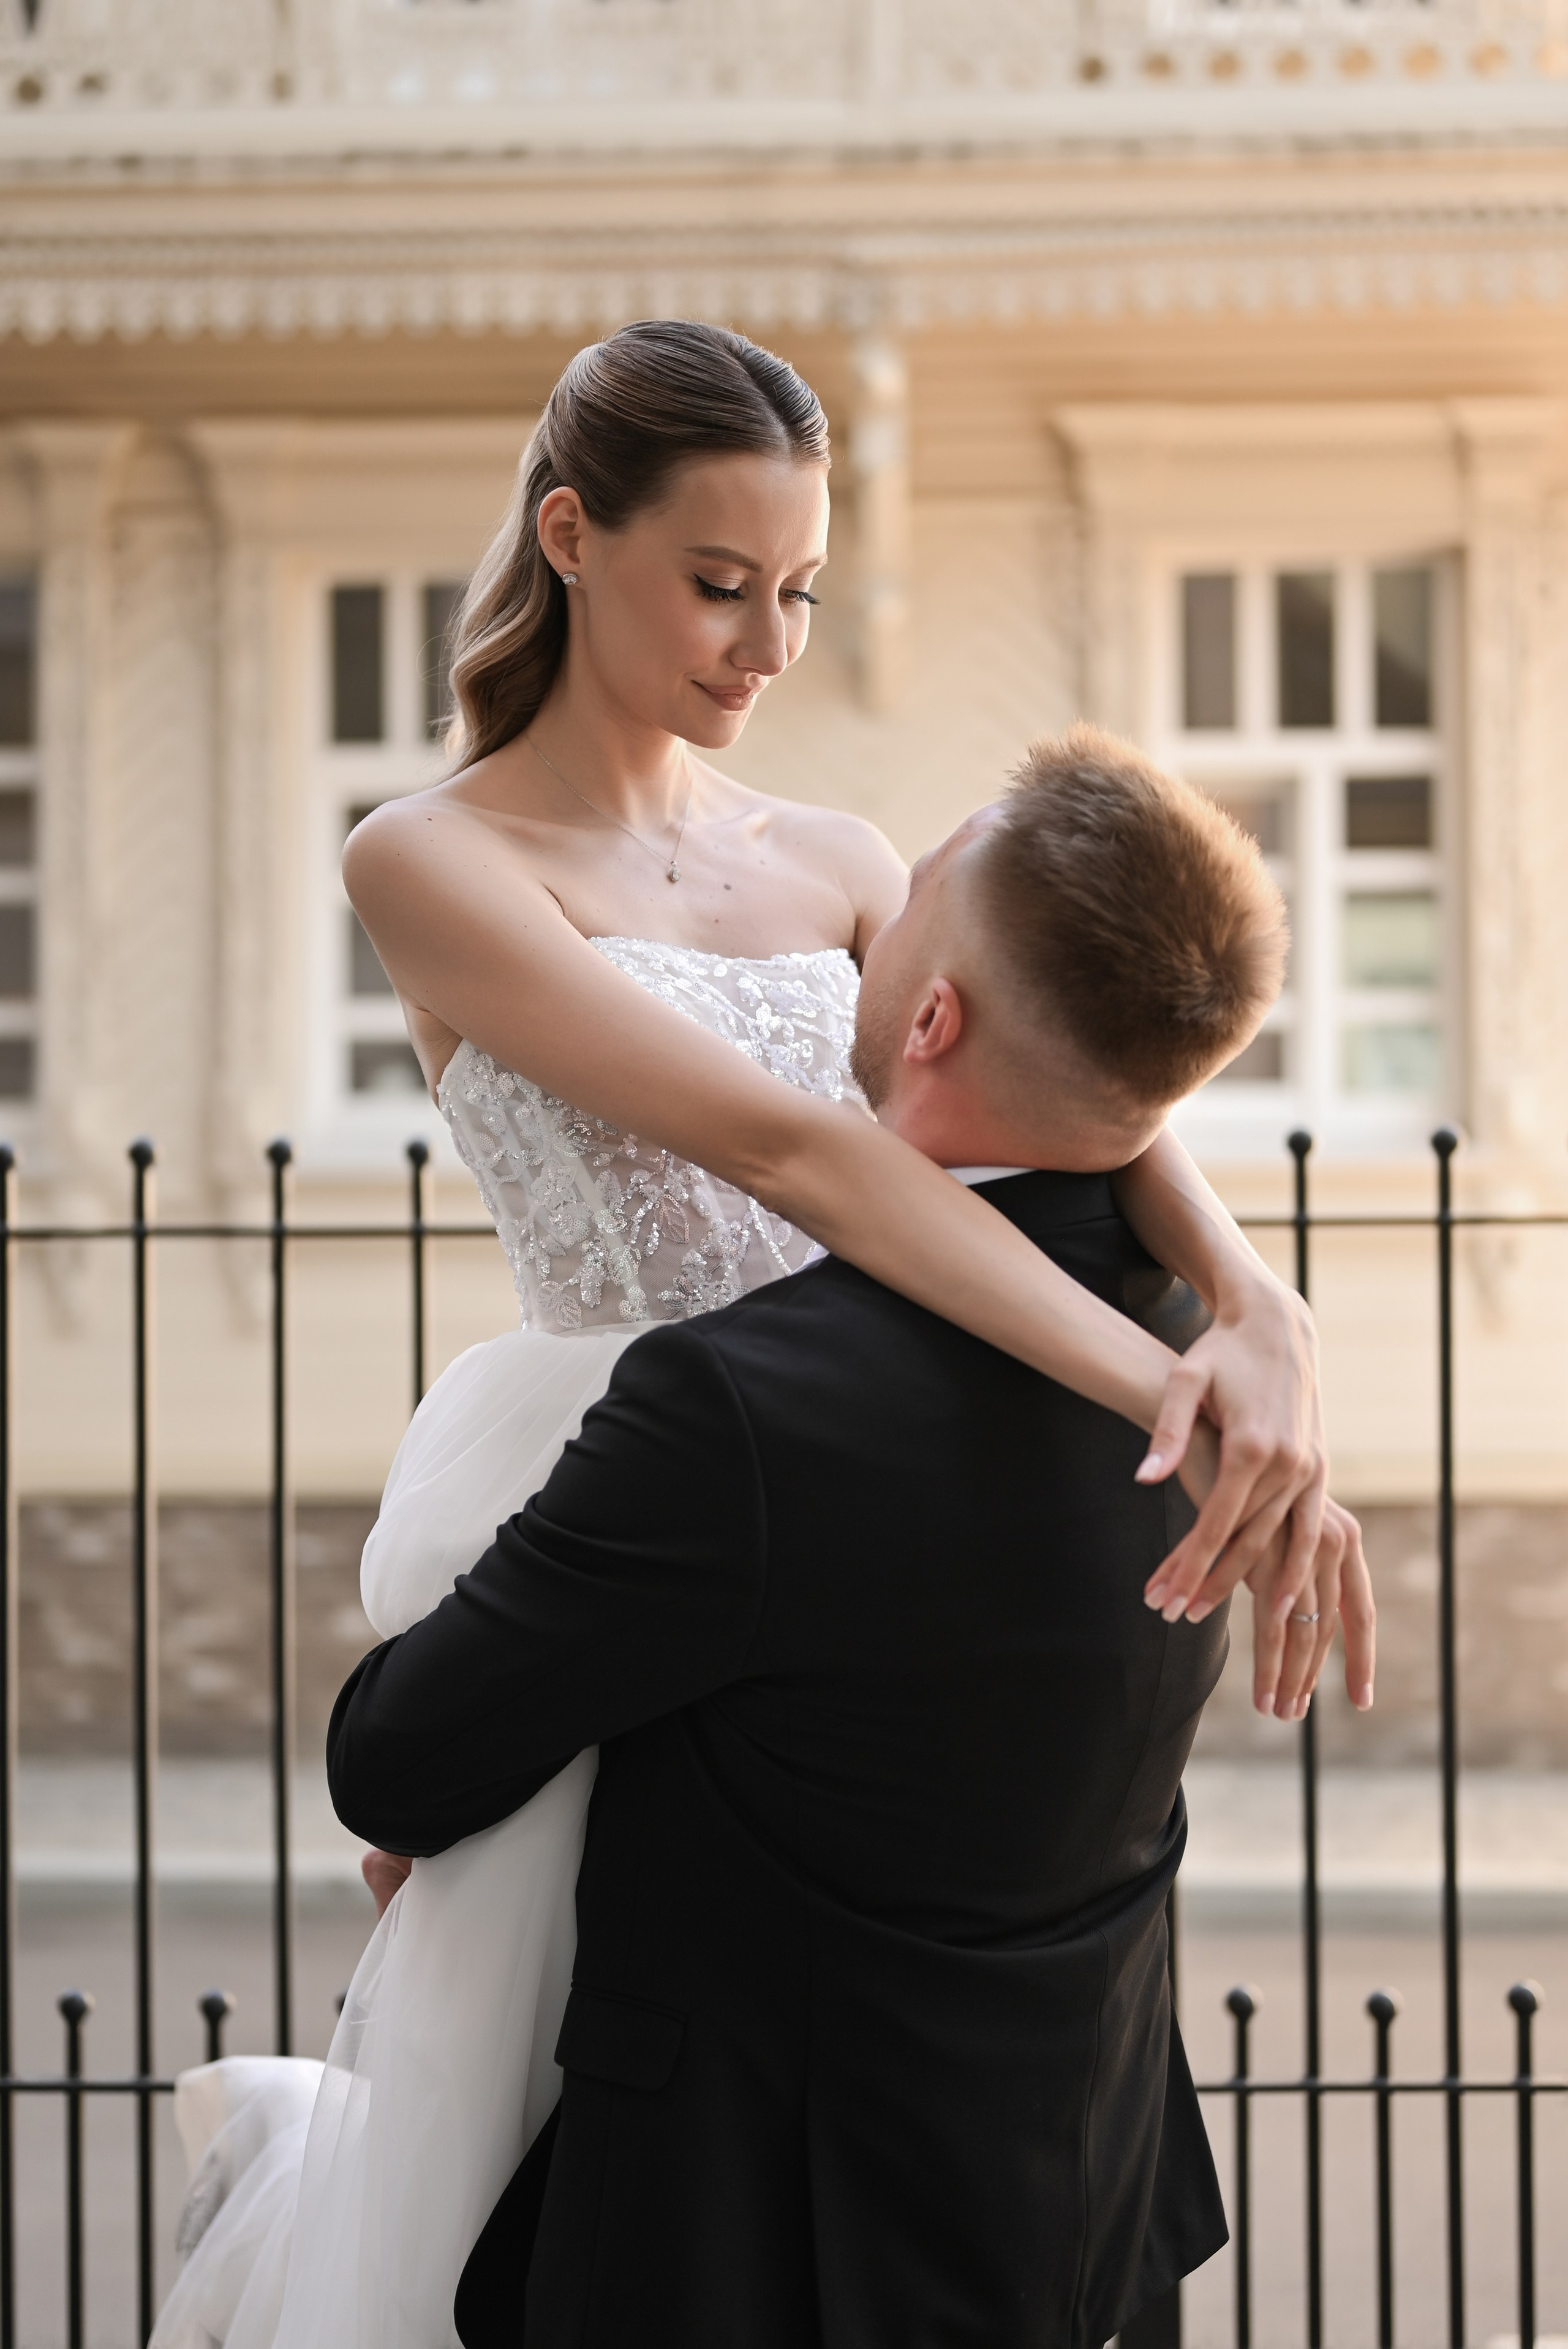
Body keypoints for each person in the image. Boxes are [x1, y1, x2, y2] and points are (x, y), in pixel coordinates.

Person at [151, 322, 1349, 2349]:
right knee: (568, 2093)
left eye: (797, 589)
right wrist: (1156, 1380)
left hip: (846, 1495)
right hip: (629, 1481)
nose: (768, 642)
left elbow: (1105, 1106)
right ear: (572, 535)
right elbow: (799, 1149)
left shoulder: (842, 857)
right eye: (722, 584)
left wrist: (1264, 1319)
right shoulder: (429, 859)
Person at [328, 732, 1374, 2348]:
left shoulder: (739, 1413)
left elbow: (394, 1763)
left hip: (764, 2259)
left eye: (914, 907)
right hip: (1078, 2223)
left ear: (932, 1013)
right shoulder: (1233, 1396)